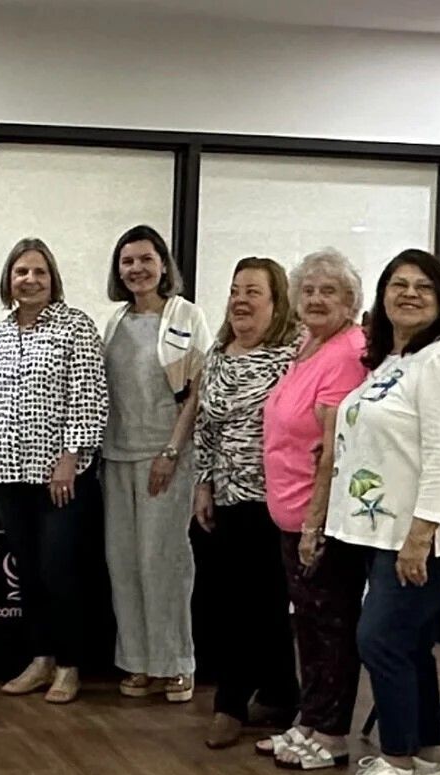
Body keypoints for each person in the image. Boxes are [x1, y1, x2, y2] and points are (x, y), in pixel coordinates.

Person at [322, 250, 440, 775]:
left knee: (380, 639)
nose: (409, 294)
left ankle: (395, 766)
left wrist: (421, 537)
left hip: (420, 537)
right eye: (398, 284)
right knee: (409, 645)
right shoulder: (395, 360)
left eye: (424, 287)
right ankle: (422, 764)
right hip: (381, 533)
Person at [0, 238, 109, 705]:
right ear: (8, 280)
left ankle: (70, 665)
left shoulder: (75, 326)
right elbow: (2, 400)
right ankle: (41, 659)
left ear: (52, 279)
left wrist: (70, 458)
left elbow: (90, 397)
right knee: (29, 572)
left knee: (60, 571)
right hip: (10, 473)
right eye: (20, 272)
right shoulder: (2, 331)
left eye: (38, 272)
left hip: (60, 476)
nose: (29, 280)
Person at [264, 248, 371, 769]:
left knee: (330, 626)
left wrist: (314, 522)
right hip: (289, 507)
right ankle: (309, 719)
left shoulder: (348, 351)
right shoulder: (308, 342)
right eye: (308, 290)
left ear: (351, 301)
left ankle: (331, 734)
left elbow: (334, 447)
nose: (316, 299)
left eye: (329, 291)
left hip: (320, 514)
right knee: (307, 623)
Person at [194, 257, 304, 748]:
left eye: (253, 292)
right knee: (240, 604)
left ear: (276, 301)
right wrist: (202, 483)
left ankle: (230, 705)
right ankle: (283, 693)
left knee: (252, 602)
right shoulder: (218, 352)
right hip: (223, 494)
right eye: (236, 290)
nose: (240, 299)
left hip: (275, 497)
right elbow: (204, 424)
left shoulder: (294, 355)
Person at [100, 225, 208, 703]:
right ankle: (138, 661)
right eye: (128, 262)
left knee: (160, 562)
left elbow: (196, 392)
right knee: (123, 563)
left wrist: (171, 450)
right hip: (116, 457)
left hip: (166, 457)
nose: (137, 269)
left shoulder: (186, 316)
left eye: (146, 259)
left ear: (163, 264)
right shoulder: (114, 322)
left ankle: (176, 662)